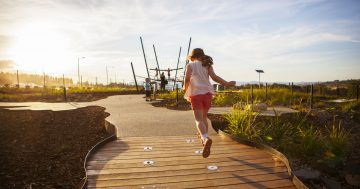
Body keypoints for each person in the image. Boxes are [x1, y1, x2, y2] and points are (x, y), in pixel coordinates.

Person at [183, 48, 236, 158]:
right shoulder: (207, 65)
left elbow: (187, 79)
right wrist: (227, 83)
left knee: (198, 120)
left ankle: (205, 138)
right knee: (204, 117)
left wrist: (185, 89)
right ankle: (204, 140)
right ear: (202, 56)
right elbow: (214, 77)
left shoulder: (191, 65)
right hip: (207, 94)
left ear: (192, 57)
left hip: (196, 95)